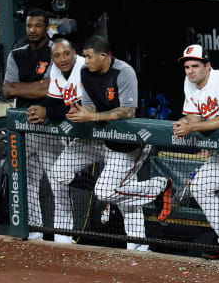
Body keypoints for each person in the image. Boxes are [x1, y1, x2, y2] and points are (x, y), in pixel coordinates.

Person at [50, 35, 171, 251]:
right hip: (101, 138)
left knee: (107, 192)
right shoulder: (85, 73)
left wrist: (92, 117)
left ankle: (158, 189)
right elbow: (90, 107)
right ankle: (112, 192)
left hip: (128, 142)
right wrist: (80, 111)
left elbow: (128, 111)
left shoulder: (124, 72)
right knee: (59, 172)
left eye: (88, 57)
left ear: (103, 56)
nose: (85, 61)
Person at [173, 44, 219, 259]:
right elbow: (194, 117)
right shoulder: (190, 83)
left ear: (207, 65)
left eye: (195, 66)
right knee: (201, 188)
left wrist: (192, 127)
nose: (190, 71)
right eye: (187, 67)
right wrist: (183, 122)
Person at [26, 38, 85, 244]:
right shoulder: (56, 71)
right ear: (52, 58)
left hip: (107, 133)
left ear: (74, 53)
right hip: (83, 138)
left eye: (66, 54)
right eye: (58, 55)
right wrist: (41, 110)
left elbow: (76, 107)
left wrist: (47, 111)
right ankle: (62, 239)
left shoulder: (83, 68)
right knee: (62, 174)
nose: (63, 59)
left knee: (112, 190)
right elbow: (54, 101)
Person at [3, 8, 53, 240]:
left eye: (38, 26)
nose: (32, 30)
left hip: (49, 126)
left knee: (58, 181)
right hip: (22, 127)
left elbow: (48, 89)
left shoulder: (55, 51)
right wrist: (37, 87)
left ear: (47, 28)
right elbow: (7, 89)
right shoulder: (17, 52)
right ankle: (35, 234)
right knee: (27, 182)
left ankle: (65, 237)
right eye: (29, 26)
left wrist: (22, 87)